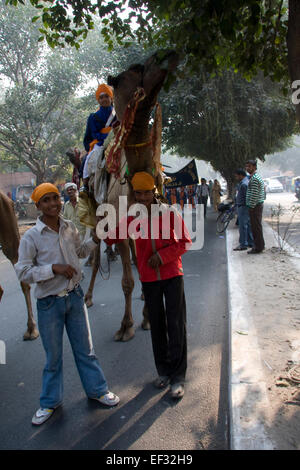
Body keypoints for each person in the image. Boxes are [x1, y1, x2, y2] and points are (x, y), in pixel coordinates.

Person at [14, 183, 119, 426]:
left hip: (74, 296)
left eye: (55, 198)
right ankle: (49, 402)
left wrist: (94, 238)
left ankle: (98, 390)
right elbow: (23, 272)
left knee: (86, 351)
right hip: (49, 305)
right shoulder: (31, 237)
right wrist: (53, 269)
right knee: (53, 358)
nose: (53, 203)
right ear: (38, 206)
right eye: (46, 200)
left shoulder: (69, 227)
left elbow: (81, 252)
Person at [101, 172, 192, 399]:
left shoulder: (170, 213)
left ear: (155, 192)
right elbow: (111, 237)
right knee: (157, 326)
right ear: (134, 194)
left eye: (146, 192)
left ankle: (178, 377)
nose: (143, 197)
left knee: (176, 324)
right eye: (138, 193)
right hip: (149, 280)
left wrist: (162, 256)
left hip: (172, 275)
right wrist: (101, 224)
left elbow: (185, 242)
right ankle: (163, 371)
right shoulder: (132, 217)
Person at [81, 83, 116, 187]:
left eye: (106, 96)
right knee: (90, 158)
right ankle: (85, 185)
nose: (104, 99)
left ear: (111, 98)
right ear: (98, 100)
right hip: (100, 143)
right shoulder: (93, 117)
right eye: (101, 97)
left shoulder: (117, 114)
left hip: (116, 141)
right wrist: (105, 139)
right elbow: (94, 133)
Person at [245, 160, 265, 254]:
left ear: (253, 167)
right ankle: (260, 245)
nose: (247, 168)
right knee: (257, 227)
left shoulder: (255, 179)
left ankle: (258, 247)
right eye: (246, 166)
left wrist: (251, 206)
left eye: (249, 166)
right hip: (256, 205)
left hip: (255, 206)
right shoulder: (255, 177)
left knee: (256, 228)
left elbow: (254, 194)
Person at [233, 169, 254, 251]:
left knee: (243, 226)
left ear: (240, 175)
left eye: (236, 176)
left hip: (243, 207)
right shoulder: (244, 182)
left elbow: (246, 197)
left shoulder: (244, 184)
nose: (236, 177)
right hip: (244, 206)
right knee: (248, 225)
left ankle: (243, 244)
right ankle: (250, 242)